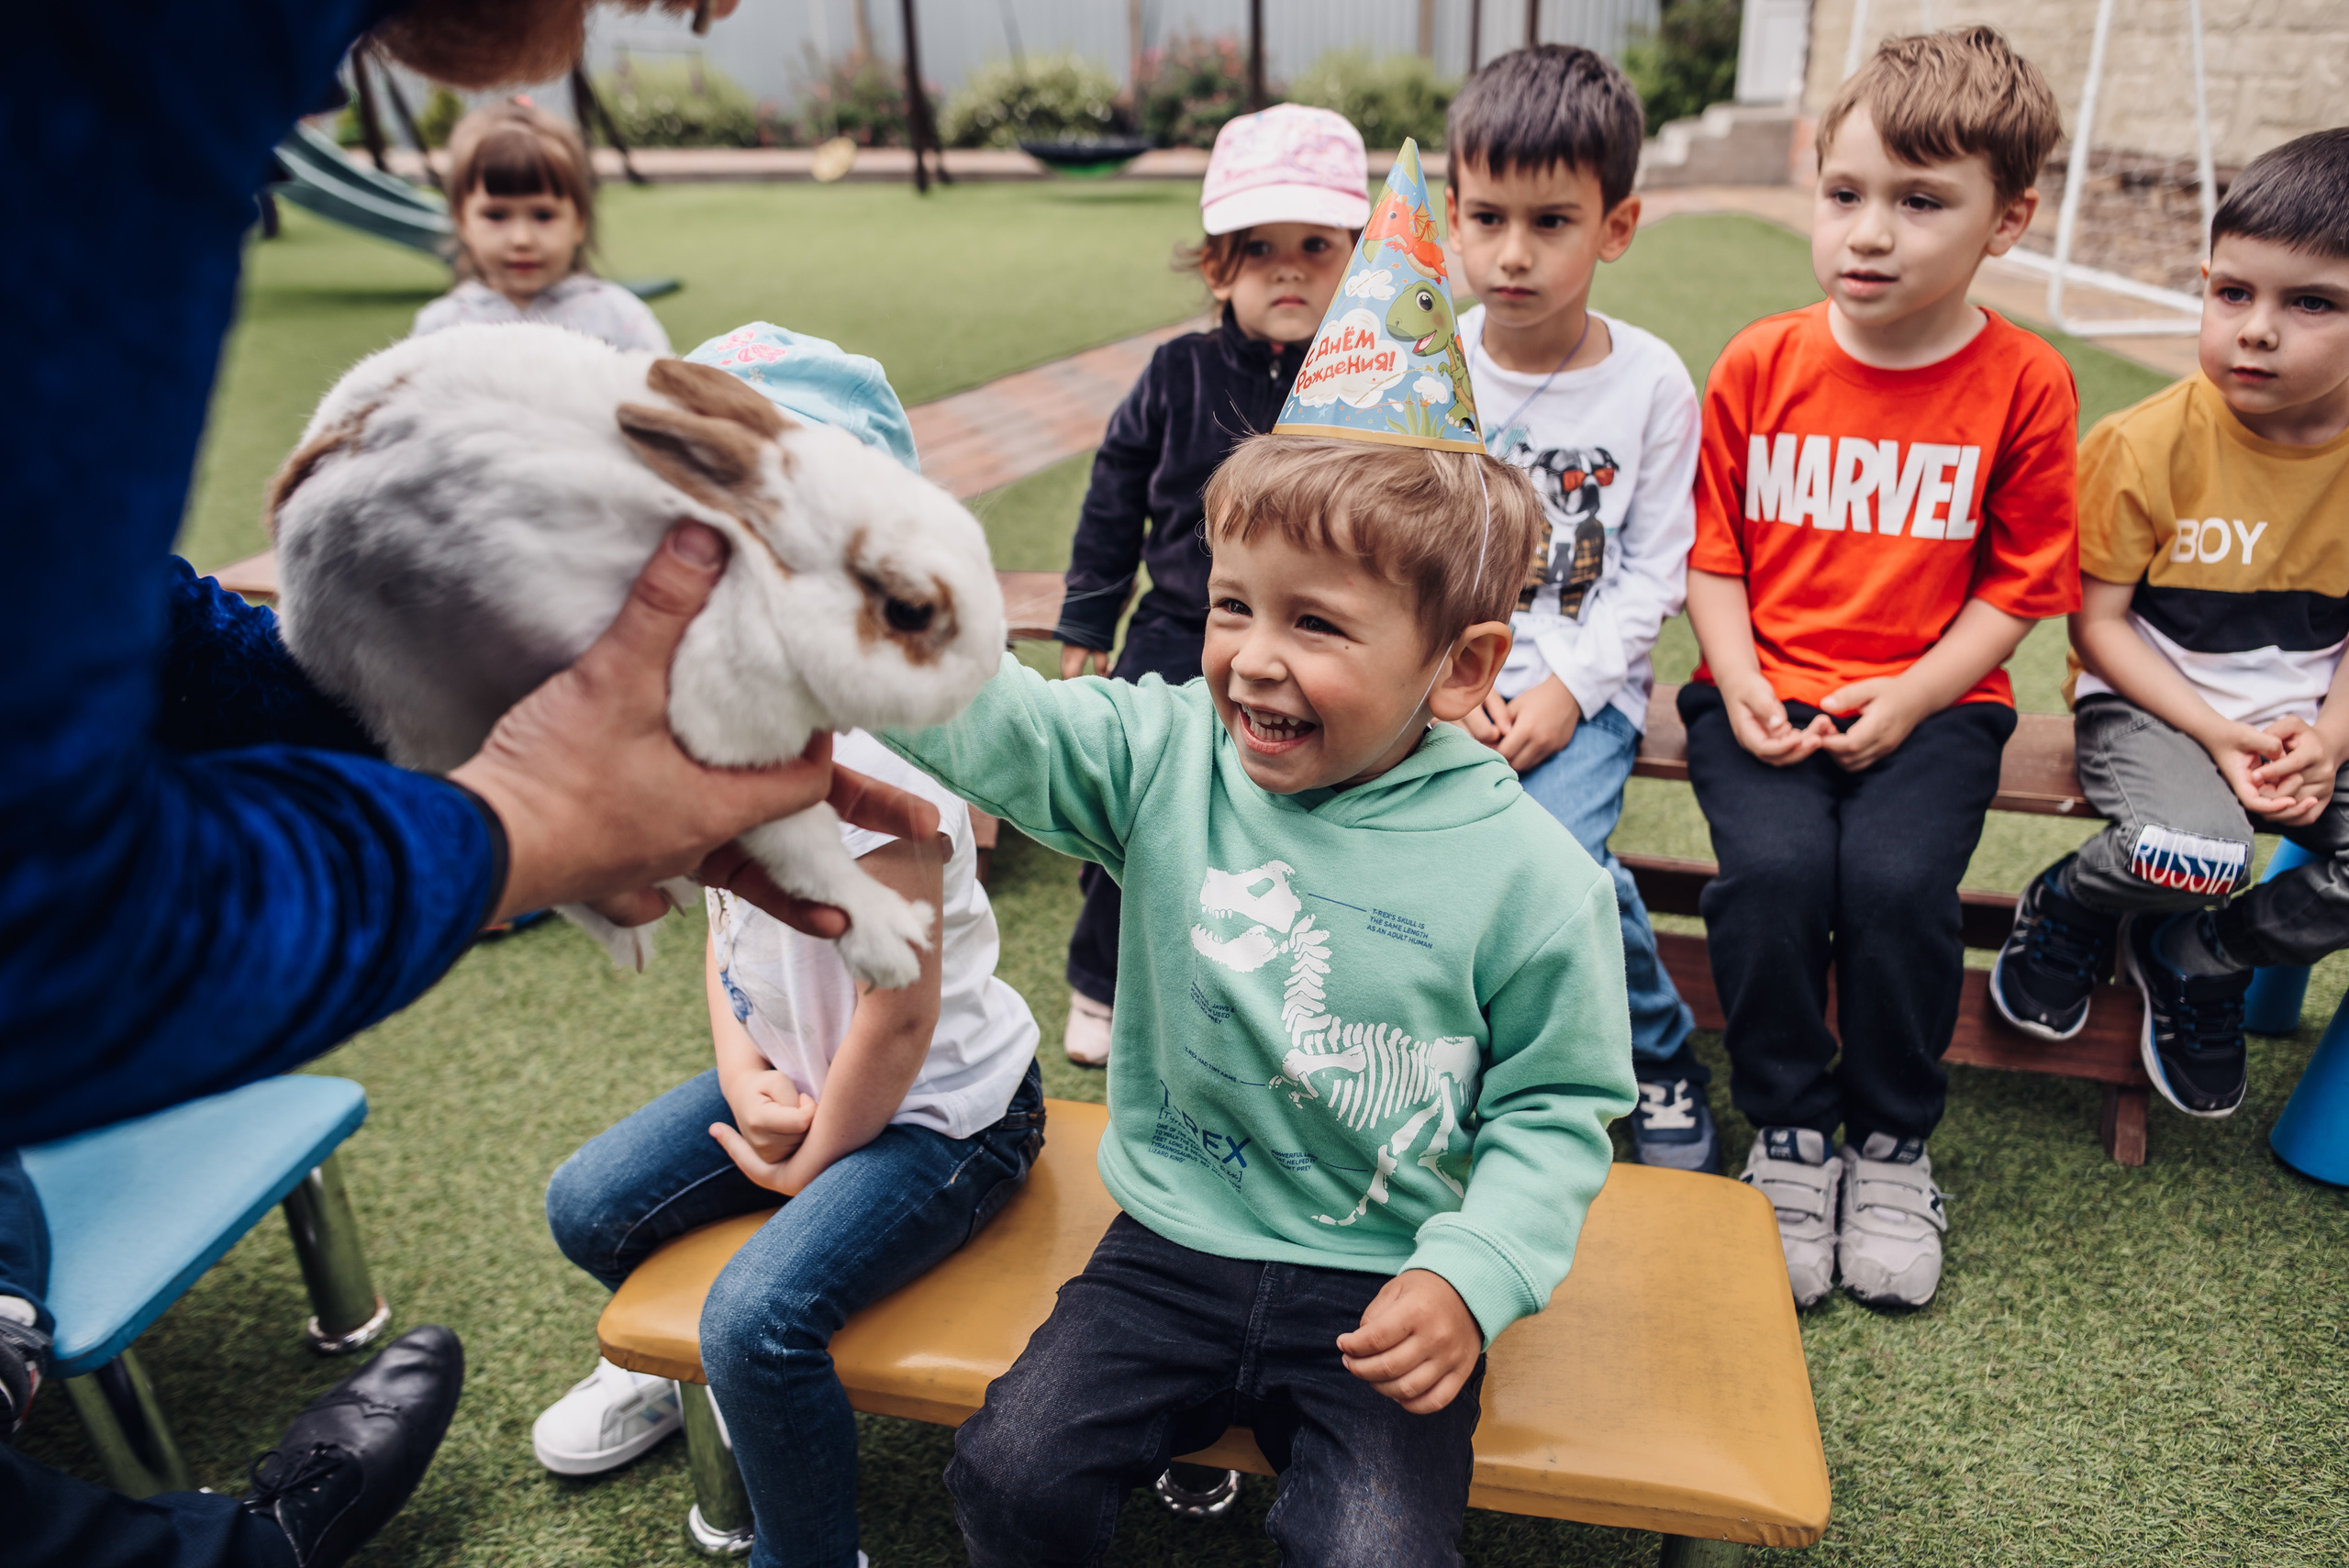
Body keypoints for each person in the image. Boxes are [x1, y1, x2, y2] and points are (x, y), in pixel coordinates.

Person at [4, 3, 934, 1564]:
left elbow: (98, 636)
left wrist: (479, 755)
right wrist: (510, 826)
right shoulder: (120, 52)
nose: (693, 12)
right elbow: (54, 930)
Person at [895, 148, 1635, 1566]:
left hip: (1388, 1266)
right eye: (1236, 604)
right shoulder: (1167, 756)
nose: (1250, 658)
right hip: (1169, 1245)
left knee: (1371, 1552)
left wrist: (1472, 1277)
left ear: (1462, 662)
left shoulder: (1532, 876)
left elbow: (1556, 1108)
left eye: (1319, 623)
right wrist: (851, 620)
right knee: (1008, 1474)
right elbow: (1006, 727)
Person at [525, 341, 1044, 1568]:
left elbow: (898, 1019)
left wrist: (811, 1155)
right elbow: (726, 931)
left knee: (759, 1317)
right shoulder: (706, 725)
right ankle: (680, 1377)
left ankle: (808, 1549)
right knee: (587, 1205)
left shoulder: (898, 750)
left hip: (943, 1114)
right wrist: (745, 1068)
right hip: (808, 1075)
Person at [1681, 28, 2078, 1310]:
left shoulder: (2025, 382)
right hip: (1764, 685)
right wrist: (1738, 677)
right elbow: (1717, 553)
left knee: (1902, 883)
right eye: (1846, 194)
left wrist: (1909, 696)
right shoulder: (1760, 362)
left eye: (1921, 202)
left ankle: (1892, 1145)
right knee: (1780, 875)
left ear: (2006, 218)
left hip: (1938, 698)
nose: (1870, 233)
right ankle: (1792, 1138)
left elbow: (2023, 584)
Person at [1991, 128, 2349, 1118]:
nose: (2256, 330)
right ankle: (2066, 902)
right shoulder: (2139, 445)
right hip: (2150, 706)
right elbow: (2096, 629)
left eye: (2310, 302)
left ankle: (2201, 952)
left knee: (2220, 885)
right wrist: (2218, 732)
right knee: (2198, 849)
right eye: (2231, 293)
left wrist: (2323, 740)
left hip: (2305, 720)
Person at [1052, 103, 1367, 1068]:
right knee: (1149, 792)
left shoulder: (1369, 378)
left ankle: (1283, 977)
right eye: (1257, 246)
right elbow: (1114, 494)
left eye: (1316, 244)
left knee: (1304, 801)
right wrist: (1086, 614)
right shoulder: (1177, 371)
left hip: (1319, 635)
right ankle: (1102, 976)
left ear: (1360, 256)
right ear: (1216, 266)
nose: (1287, 268)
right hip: (1183, 622)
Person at [1443, 45, 1709, 1170]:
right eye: (1487, 217)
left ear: (1617, 225)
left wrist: (1565, 690)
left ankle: (1654, 1050)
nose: (1512, 253)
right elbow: (1405, 551)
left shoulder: (1649, 382)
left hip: (1582, 679)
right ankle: (1460, 1050)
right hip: (1444, 677)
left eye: (1550, 221)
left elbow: (1653, 569)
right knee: (1423, 845)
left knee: (1558, 859)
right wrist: (1451, 696)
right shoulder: (1433, 359)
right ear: (1449, 215)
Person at [412, 99, 672, 353]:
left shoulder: (619, 319)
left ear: (579, 221)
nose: (521, 239)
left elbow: (667, 392)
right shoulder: (440, 328)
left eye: (543, 215)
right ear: (461, 221)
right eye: (496, 215)